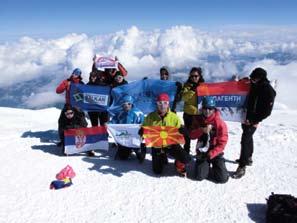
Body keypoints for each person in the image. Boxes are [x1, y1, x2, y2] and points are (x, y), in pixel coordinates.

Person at [233, 67, 276, 179]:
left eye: (254, 78)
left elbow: (267, 111)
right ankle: (248, 158)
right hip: (246, 118)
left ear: (261, 78)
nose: (252, 79)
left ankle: (242, 166)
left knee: (245, 140)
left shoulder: (268, 90)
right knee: (248, 138)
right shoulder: (254, 85)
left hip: (253, 120)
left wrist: (255, 120)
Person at [139, 93, 191, 175]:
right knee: (157, 171)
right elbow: (144, 127)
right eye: (160, 103)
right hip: (157, 145)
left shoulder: (174, 117)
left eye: (165, 103)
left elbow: (180, 129)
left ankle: (178, 164)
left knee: (186, 158)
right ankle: (162, 156)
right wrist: (142, 130)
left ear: (168, 104)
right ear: (156, 104)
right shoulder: (150, 117)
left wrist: (182, 130)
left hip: (171, 144)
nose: (162, 105)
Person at [190, 97, 229, 183]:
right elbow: (191, 135)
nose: (207, 111)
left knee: (223, 179)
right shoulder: (198, 119)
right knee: (199, 176)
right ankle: (204, 167)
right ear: (202, 108)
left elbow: (222, 143)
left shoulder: (219, 123)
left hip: (215, 151)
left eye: (210, 108)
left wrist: (211, 154)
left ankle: (217, 165)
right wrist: (201, 130)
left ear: (214, 109)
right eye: (205, 108)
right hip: (202, 150)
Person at [111, 95, 145, 161]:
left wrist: (142, 128)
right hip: (125, 137)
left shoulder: (138, 113)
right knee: (123, 157)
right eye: (124, 104)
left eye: (129, 104)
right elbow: (114, 121)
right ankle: (126, 149)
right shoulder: (120, 113)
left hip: (136, 137)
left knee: (140, 156)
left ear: (132, 104)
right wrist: (109, 124)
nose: (127, 106)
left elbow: (144, 123)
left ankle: (140, 148)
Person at [181, 67, 205, 153]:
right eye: (192, 76)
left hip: (200, 114)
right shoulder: (187, 86)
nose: (194, 78)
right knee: (187, 135)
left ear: (199, 76)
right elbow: (184, 98)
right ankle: (186, 151)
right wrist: (192, 89)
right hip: (189, 114)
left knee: (201, 134)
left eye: (196, 76)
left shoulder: (204, 86)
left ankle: (199, 151)